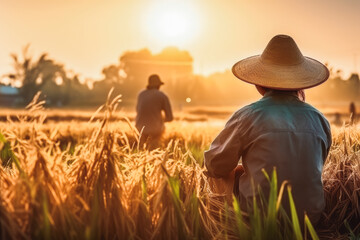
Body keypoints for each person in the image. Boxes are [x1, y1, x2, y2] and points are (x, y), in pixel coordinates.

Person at [204, 35, 332, 224]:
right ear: (301, 83)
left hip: (259, 217)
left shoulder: (247, 116)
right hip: (310, 219)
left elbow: (215, 165)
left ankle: (223, 225)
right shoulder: (320, 119)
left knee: (221, 172)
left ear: (258, 83)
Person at [136, 74, 173, 149]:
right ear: (159, 86)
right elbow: (170, 117)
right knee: (155, 150)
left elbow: (138, 110)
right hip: (155, 131)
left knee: (141, 152)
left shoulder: (141, 94)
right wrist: (160, 119)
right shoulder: (162, 96)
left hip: (139, 130)